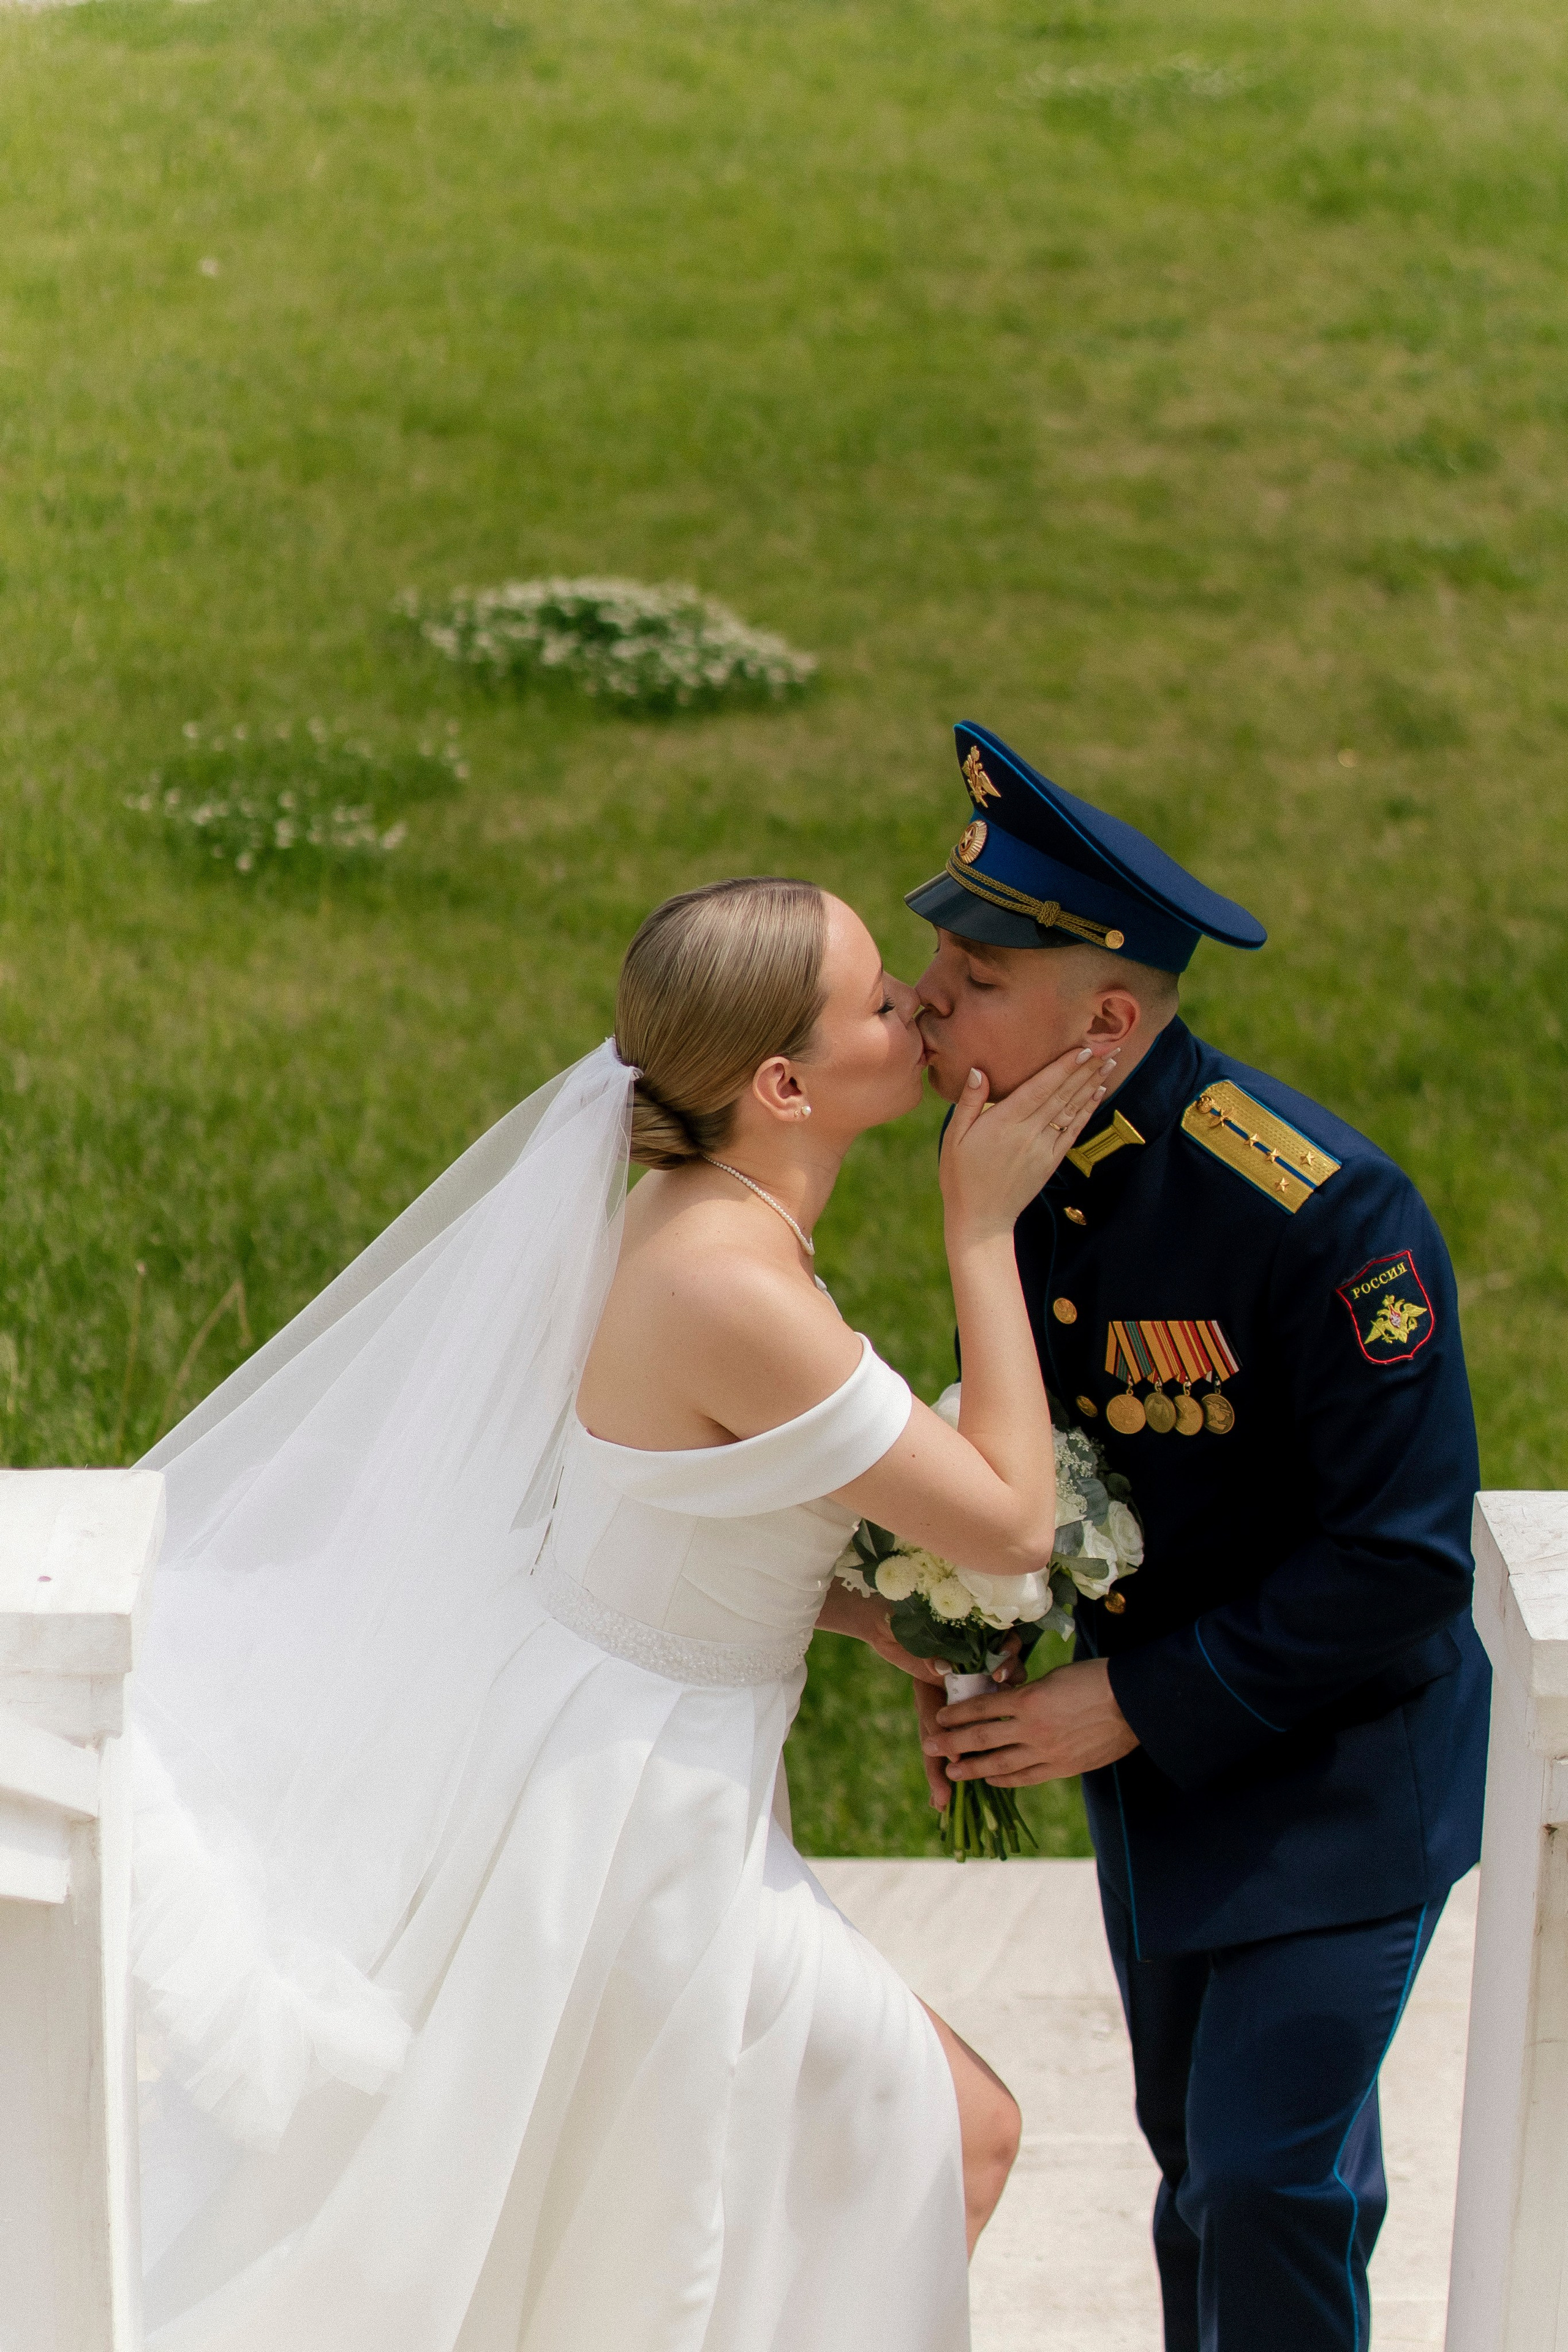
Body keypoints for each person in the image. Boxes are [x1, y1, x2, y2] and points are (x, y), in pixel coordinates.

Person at [129, 874, 1105, 2352]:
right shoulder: (729, 1286)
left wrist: (860, 1615)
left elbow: (664, 1508)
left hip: (646, 1767)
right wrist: (984, 1231)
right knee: (943, 2139)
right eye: (872, 999)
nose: (913, 1002)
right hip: (639, 1826)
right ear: (781, 1081)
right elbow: (1013, 1517)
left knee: (667, 2209)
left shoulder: (704, 1209)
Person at [907, 723, 1490, 2352]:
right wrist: (980, 1624)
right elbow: (1043, 1456)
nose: (927, 999)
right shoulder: (1017, 1167)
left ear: (1105, 1017)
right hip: (1164, 1795)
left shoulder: (1323, 1212)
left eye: (974, 973)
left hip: (1338, 1783)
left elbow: (1403, 1564)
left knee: (1267, 2185)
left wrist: (1125, 1701)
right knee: (1203, 2176)